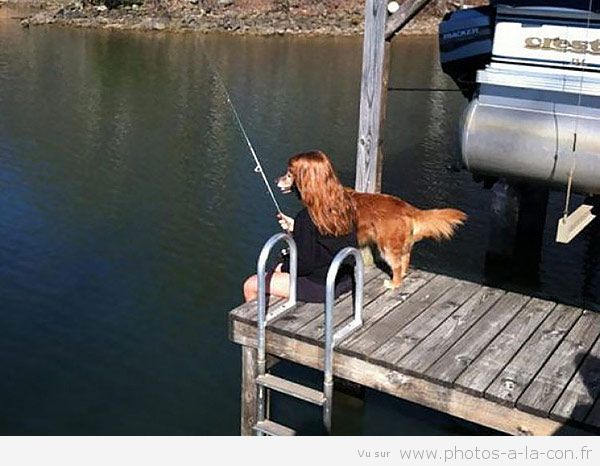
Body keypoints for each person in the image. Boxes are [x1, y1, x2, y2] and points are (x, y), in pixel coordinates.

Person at [243, 151, 357, 303]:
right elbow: (326, 238)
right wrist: (297, 228)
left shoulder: (307, 217)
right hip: (346, 278)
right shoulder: (345, 204)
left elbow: (304, 266)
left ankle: (257, 325)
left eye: (290, 176)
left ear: (304, 182)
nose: (287, 179)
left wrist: (282, 268)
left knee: (251, 284)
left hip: (322, 287)